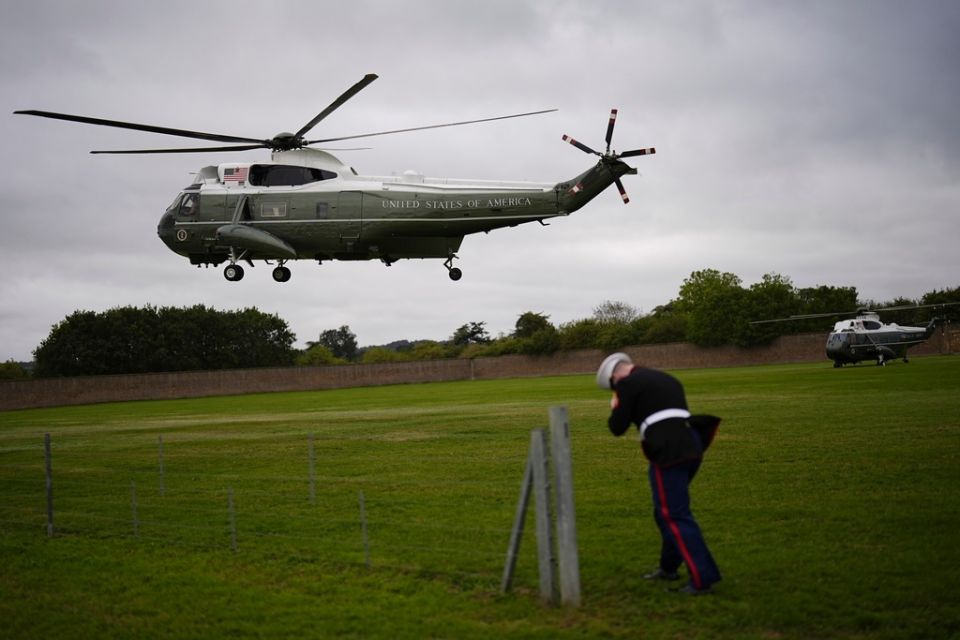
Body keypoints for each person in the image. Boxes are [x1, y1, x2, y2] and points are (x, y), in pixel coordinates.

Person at [597, 352, 722, 595]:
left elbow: (617, 427)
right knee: (664, 511)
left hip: (669, 450)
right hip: (692, 442)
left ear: (615, 377)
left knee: (674, 514)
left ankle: (702, 578)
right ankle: (668, 567)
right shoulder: (666, 378)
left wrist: (616, 406)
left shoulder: (627, 383)